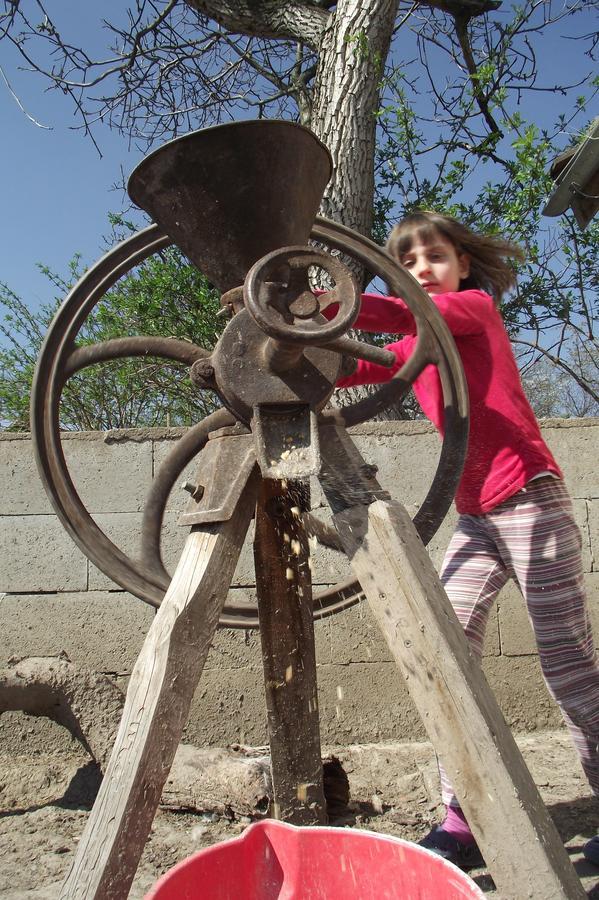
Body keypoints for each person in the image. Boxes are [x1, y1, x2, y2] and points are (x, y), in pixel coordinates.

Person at [334, 209, 599, 870]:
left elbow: (403, 313)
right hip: (476, 517)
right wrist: (288, 350)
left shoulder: (473, 309)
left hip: (532, 500)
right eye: (408, 259)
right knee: (448, 656)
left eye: (432, 255)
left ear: (462, 265)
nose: (421, 266)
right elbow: (355, 369)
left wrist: (326, 300)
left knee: (567, 670)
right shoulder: (415, 342)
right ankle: (463, 817)